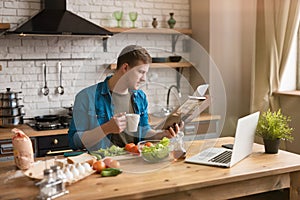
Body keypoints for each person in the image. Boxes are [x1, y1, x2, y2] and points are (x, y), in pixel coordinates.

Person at [68, 45, 183, 151]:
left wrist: (161, 135)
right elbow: (74, 142)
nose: (144, 79)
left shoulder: (140, 97)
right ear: (125, 68)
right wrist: (106, 128)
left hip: (135, 161)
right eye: (141, 72)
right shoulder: (86, 97)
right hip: (103, 164)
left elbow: (144, 131)